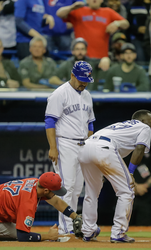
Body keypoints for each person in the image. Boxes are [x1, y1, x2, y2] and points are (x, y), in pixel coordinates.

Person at [78, 109, 151, 243]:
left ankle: (88, 231)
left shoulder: (121, 125)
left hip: (85, 147)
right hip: (104, 147)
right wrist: (130, 173)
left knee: (91, 193)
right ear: (142, 121)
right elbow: (140, 149)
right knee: (127, 190)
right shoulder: (144, 127)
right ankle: (118, 232)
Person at [45, 61, 95, 235]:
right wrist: (53, 147)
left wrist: (91, 145)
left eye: (86, 80)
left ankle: (72, 224)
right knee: (67, 186)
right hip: (65, 141)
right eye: (81, 79)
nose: (83, 83)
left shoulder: (87, 95)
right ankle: (65, 227)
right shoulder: (59, 93)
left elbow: (91, 123)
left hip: (83, 144)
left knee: (78, 187)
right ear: (72, 75)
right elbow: (50, 121)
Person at [57, 0, 129, 58]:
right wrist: (71, 7)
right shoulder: (79, 11)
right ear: (87, 1)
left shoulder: (108, 11)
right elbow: (59, 14)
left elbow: (126, 24)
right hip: (82, 57)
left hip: (101, 58)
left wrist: (116, 23)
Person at [131, 153, 151, 226]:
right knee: (124, 224)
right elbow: (121, 173)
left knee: (144, 224)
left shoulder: (150, 154)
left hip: (145, 195)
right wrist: (136, 187)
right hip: (128, 194)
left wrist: (144, 186)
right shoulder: (126, 153)